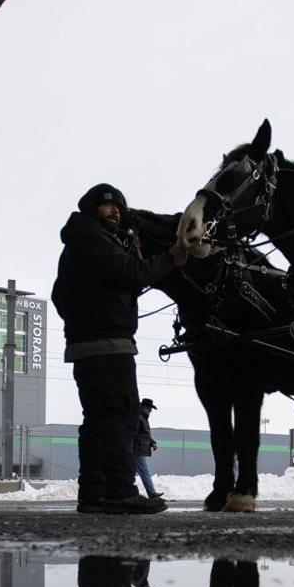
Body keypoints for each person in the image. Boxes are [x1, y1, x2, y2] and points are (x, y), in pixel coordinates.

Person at [52, 182, 186, 514]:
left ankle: (94, 494)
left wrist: (89, 312)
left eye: (118, 208)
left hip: (87, 348)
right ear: (91, 209)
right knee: (120, 417)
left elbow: (59, 295)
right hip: (109, 347)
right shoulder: (93, 239)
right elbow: (133, 272)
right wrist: (171, 257)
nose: (114, 211)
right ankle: (120, 492)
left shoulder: (77, 244)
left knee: (97, 420)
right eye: (107, 205)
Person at [133, 398, 162, 500]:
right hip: (137, 450)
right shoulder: (139, 418)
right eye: (149, 408)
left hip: (137, 449)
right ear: (143, 407)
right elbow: (134, 434)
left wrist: (152, 442)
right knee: (144, 471)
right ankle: (151, 492)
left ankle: (125, 492)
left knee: (131, 472)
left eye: (150, 409)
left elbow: (144, 435)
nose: (150, 411)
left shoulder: (143, 419)